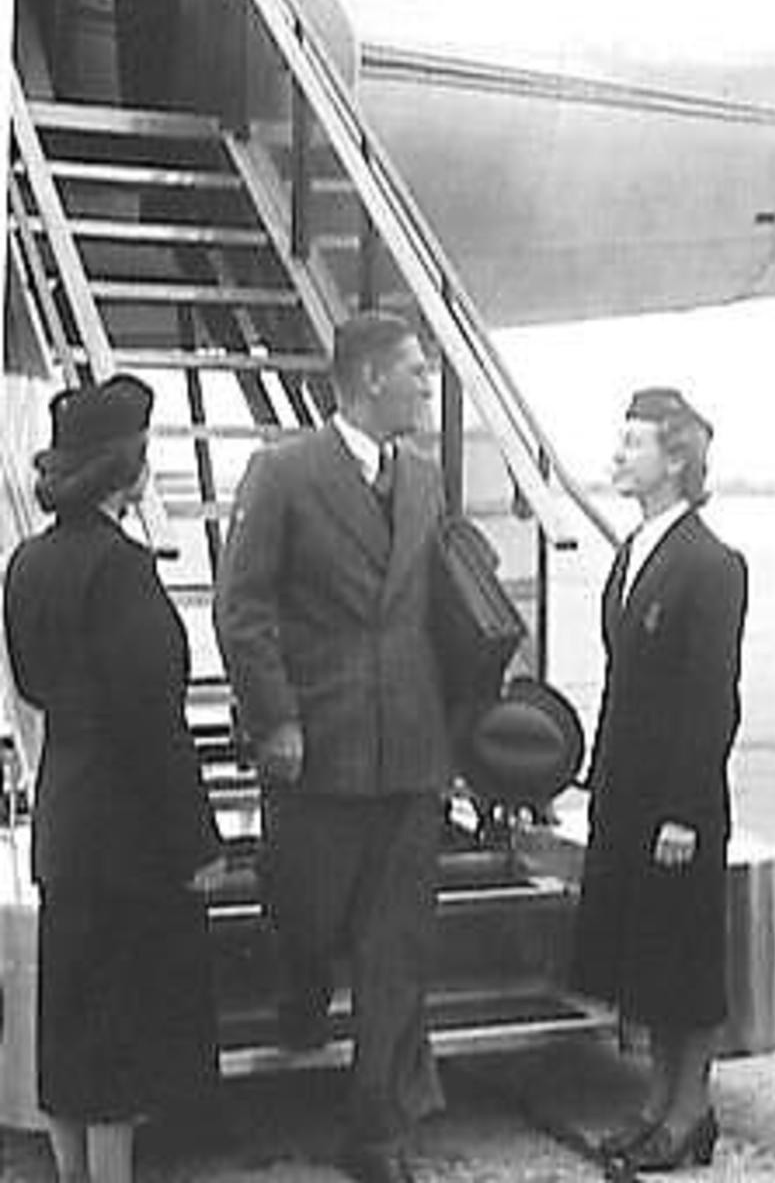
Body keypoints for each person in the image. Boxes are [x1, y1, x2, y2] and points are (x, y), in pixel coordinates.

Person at [213, 311, 448, 1183]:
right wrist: (274, 718)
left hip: (410, 749)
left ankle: (376, 1129)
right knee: (303, 914)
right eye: (415, 371)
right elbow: (241, 607)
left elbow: (436, 603)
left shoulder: (424, 477)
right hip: (316, 747)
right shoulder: (284, 472)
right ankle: (301, 990)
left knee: (397, 947)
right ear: (370, 379)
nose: (426, 386)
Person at [2, 374, 224, 1183]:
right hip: (130, 834)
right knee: (120, 1043)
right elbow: (152, 719)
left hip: (66, 816)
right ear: (125, 470)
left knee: (69, 1029)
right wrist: (199, 841)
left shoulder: (25, 562)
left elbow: (32, 686)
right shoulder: (123, 569)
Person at [571, 387, 748, 1175]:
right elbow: (623, 683)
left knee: (683, 958)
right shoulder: (632, 551)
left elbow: (712, 699)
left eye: (633, 443)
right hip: (626, 791)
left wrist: (683, 811)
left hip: (680, 800)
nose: (618, 455)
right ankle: (655, 1103)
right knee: (645, 955)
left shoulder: (712, 564)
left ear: (676, 460)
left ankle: (690, 1110)